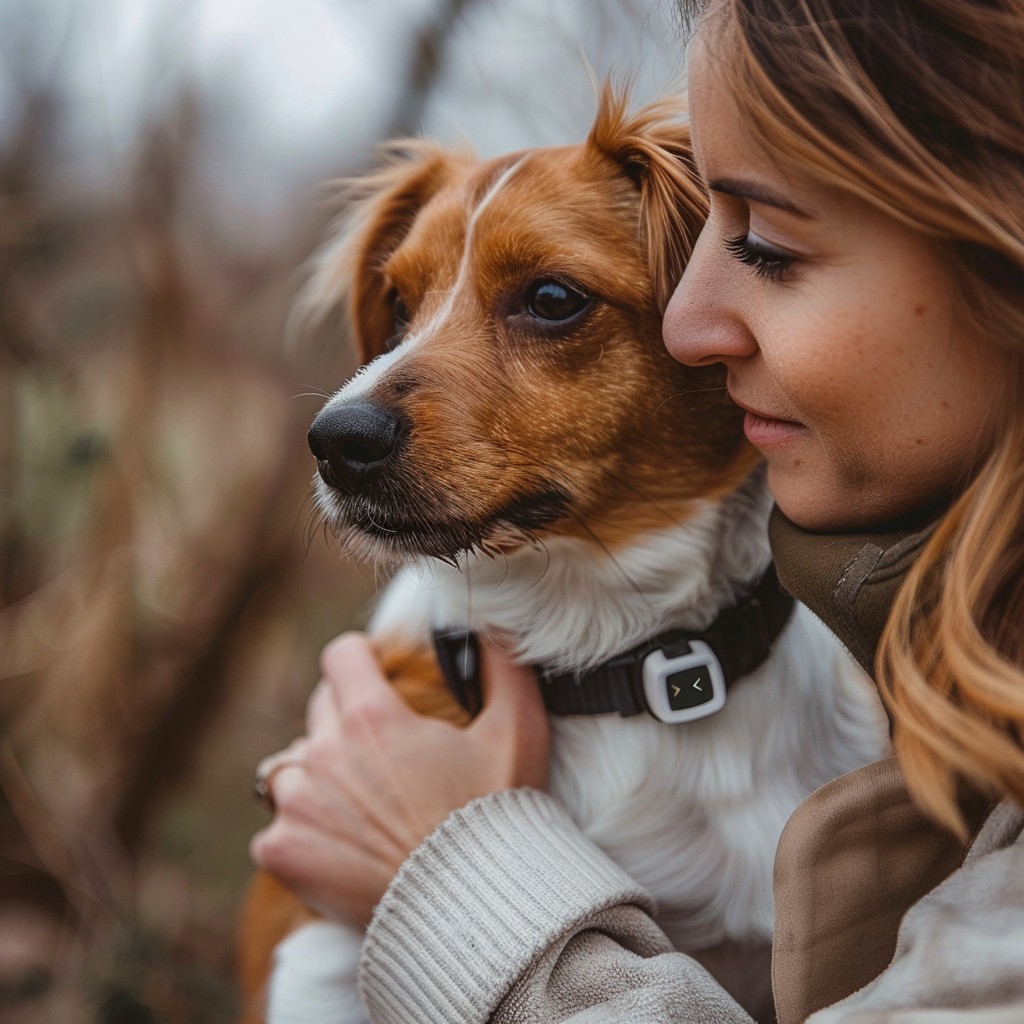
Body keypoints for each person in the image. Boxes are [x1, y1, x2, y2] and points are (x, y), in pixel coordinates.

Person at [250, 0, 1024, 1020]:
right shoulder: (384, 740)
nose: (364, 404)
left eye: (551, 303)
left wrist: (458, 885)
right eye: (403, 311)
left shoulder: (916, 711)